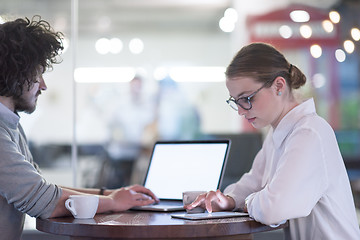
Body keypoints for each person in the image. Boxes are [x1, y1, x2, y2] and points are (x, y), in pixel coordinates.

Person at [0, 16, 158, 239]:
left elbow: (43, 187)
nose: (43, 85)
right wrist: (112, 202)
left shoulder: (11, 124)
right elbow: (44, 201)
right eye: (38, 74)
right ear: (16, 74)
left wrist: (111, 194)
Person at [185, 42, 360, 239]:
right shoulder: (278, 133)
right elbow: (253, 183)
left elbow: (273, 208)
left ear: (278, 86)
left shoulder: (309, 133)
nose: (241, 111)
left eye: (247, 98)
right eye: (236, 101)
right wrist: (229, 200)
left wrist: (246, 203)